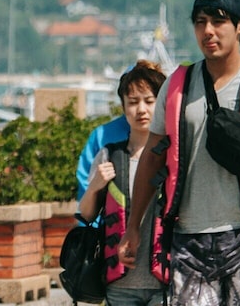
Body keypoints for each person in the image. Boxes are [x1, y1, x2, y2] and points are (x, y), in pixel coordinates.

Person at [120, 0, 240, 306]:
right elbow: (152, 161)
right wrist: (133, 228)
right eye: (200, 22)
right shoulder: (177, 86)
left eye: (218, 21)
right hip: (188, 240)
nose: (208, 31)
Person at [74, 60, 168, 306]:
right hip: (120, 285)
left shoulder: (173, 158)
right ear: (123, 107)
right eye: (133, 102)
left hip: (165, 282)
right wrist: (95, 186)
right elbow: (85, 214)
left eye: (149, 101)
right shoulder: (108, 154)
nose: (141, 110)